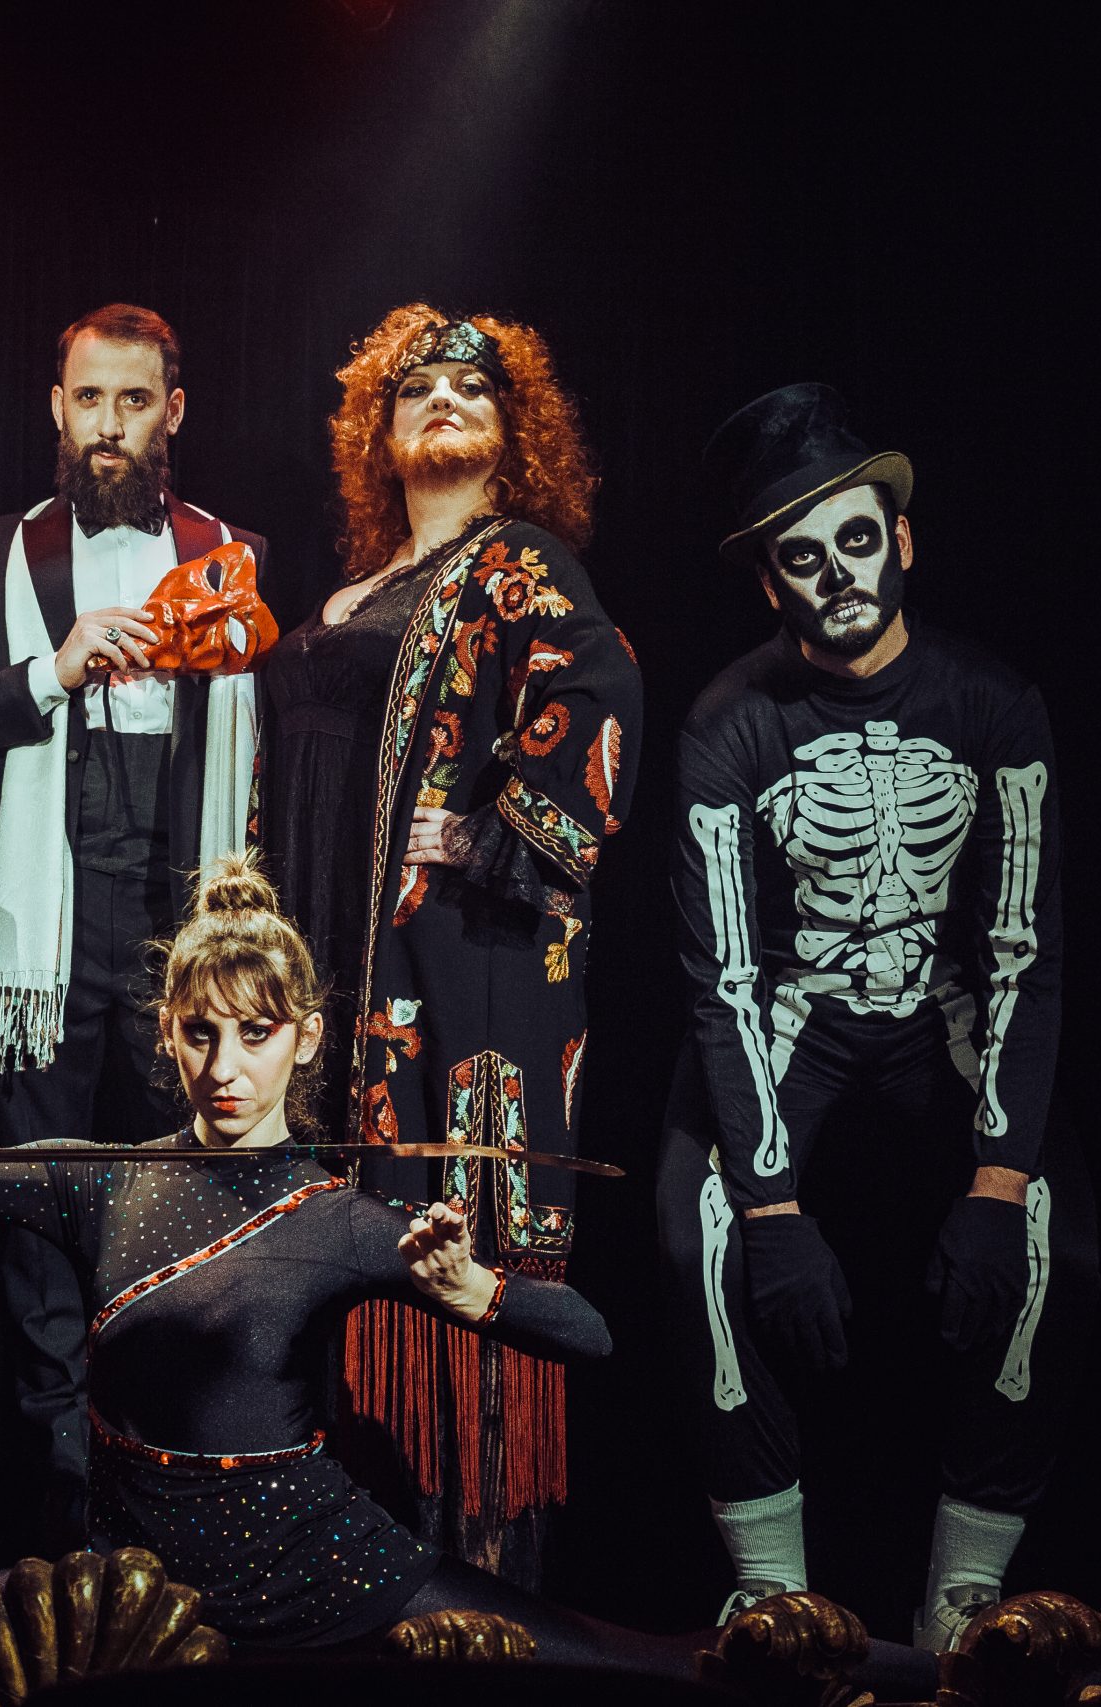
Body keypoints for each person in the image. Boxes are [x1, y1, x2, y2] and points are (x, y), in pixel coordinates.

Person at [0, 857, 686, 1675]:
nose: (226, 1066)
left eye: (257, 1032)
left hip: (325, 1576)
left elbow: (592, 1335)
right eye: (201, 1032)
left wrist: (468, 1286)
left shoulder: (342, 1218)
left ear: (307, 1036)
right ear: (166, 1032)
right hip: (132, 1592)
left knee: (637, 1670)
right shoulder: (99, 1181)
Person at [653, 384, 1096, 1651]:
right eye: (802, 557)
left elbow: (1022, 949)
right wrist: (771, 1208)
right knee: (694, 1235)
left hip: (941, 1004)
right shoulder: (727, 721)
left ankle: (965, 1590)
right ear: (769, 584)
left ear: (900, 540)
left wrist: (998, 1181)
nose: (837, 573)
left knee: (1059, 1244)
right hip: (795, 1002)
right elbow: (723, 972)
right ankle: (770, 1590)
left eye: (856, 540)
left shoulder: (993, 701)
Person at [265, 305, 640, 1574]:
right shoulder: (354, 591)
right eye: (415, 387)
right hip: (329, 955)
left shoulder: (517, 562)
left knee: (444, 1252)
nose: (441, 399)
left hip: (457, 965)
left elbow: (600, 689)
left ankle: (473, 1595)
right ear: (375, 431)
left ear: (513, 431)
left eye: (471, 390)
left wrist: (485, 833)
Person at [0, 303, 268, 1547]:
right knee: (43, 1217)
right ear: (56, 408)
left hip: (180, 915)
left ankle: (168, 1501)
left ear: (174, 412)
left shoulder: (232, 554)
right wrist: (50, 670)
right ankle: (58, 1519)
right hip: (41, 928)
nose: (110, 426)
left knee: (178, 1206)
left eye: (133, 401)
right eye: (89, 399)